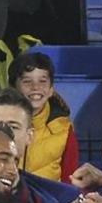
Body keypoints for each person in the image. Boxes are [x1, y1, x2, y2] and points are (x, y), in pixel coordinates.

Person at [9, 51, 80, 182]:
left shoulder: (64, 129)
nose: (35, 87)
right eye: (27, 81)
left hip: (49, 201)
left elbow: (70, 181)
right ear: (13, 87)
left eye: (42, 81)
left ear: (51, 89)